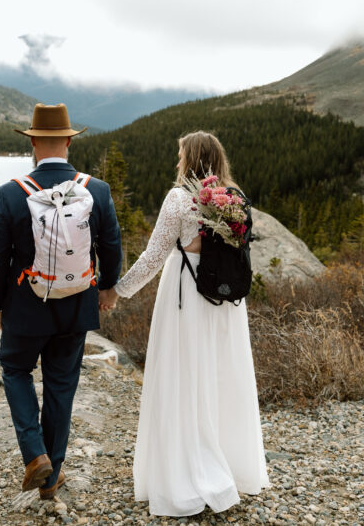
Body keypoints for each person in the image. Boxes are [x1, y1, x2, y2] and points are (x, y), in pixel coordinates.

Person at [112, 130, 269, 517]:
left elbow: (153, 256)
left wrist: (117, 291)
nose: (177, 160)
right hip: (225, 302)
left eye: (181, 154)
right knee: (220, 379)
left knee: (182, 378)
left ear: (192, 159)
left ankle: (185, 472)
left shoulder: (179, 199)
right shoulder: (233, 199)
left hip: (187, 297)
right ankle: (226, 464)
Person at [0, 103, 122, 500]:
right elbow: (111, 246)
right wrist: (106, 287)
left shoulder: (11, 194)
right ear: (67, 141)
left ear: (32, 143)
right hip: (76, 305)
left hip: (27, 308)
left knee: (14, 370)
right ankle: (51, 477)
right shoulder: (96, 190)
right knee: (61, 386)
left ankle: (34, 455)